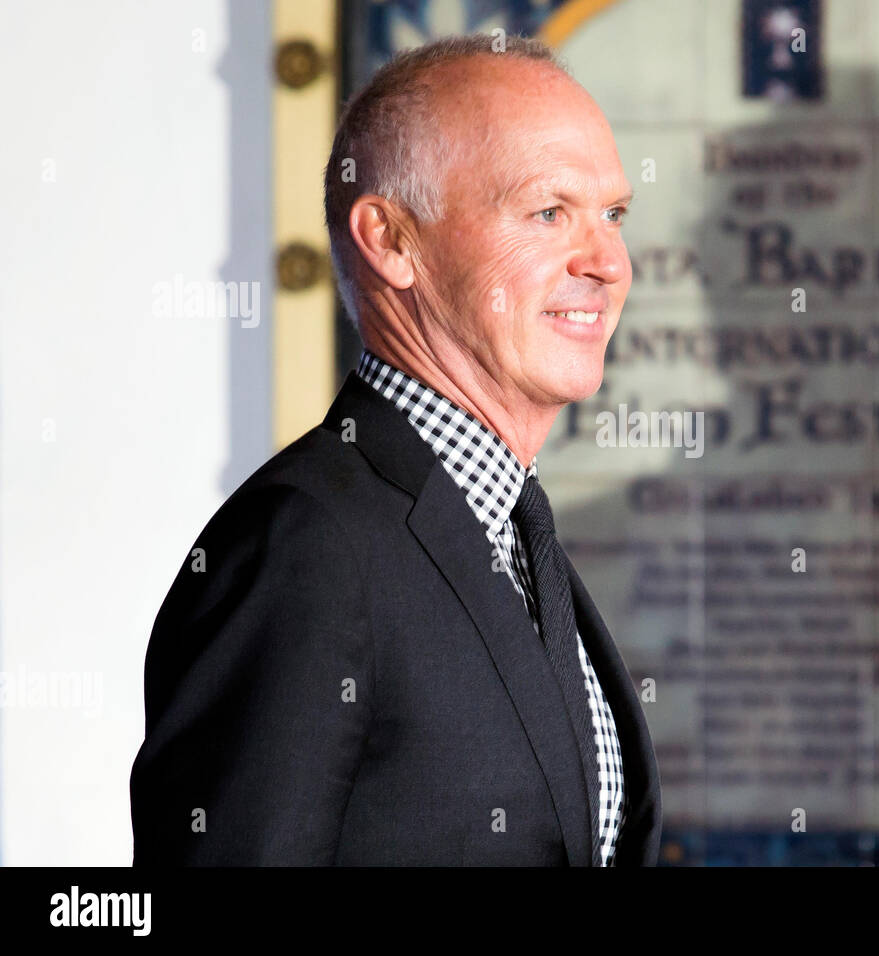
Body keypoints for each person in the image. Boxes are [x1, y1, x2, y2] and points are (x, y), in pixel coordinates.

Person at [129, 33, 660, 866]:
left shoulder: (514, 533)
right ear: (391, 241)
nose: (607, 262)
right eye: (548, 212)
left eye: (614, 215)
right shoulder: (305, 546)